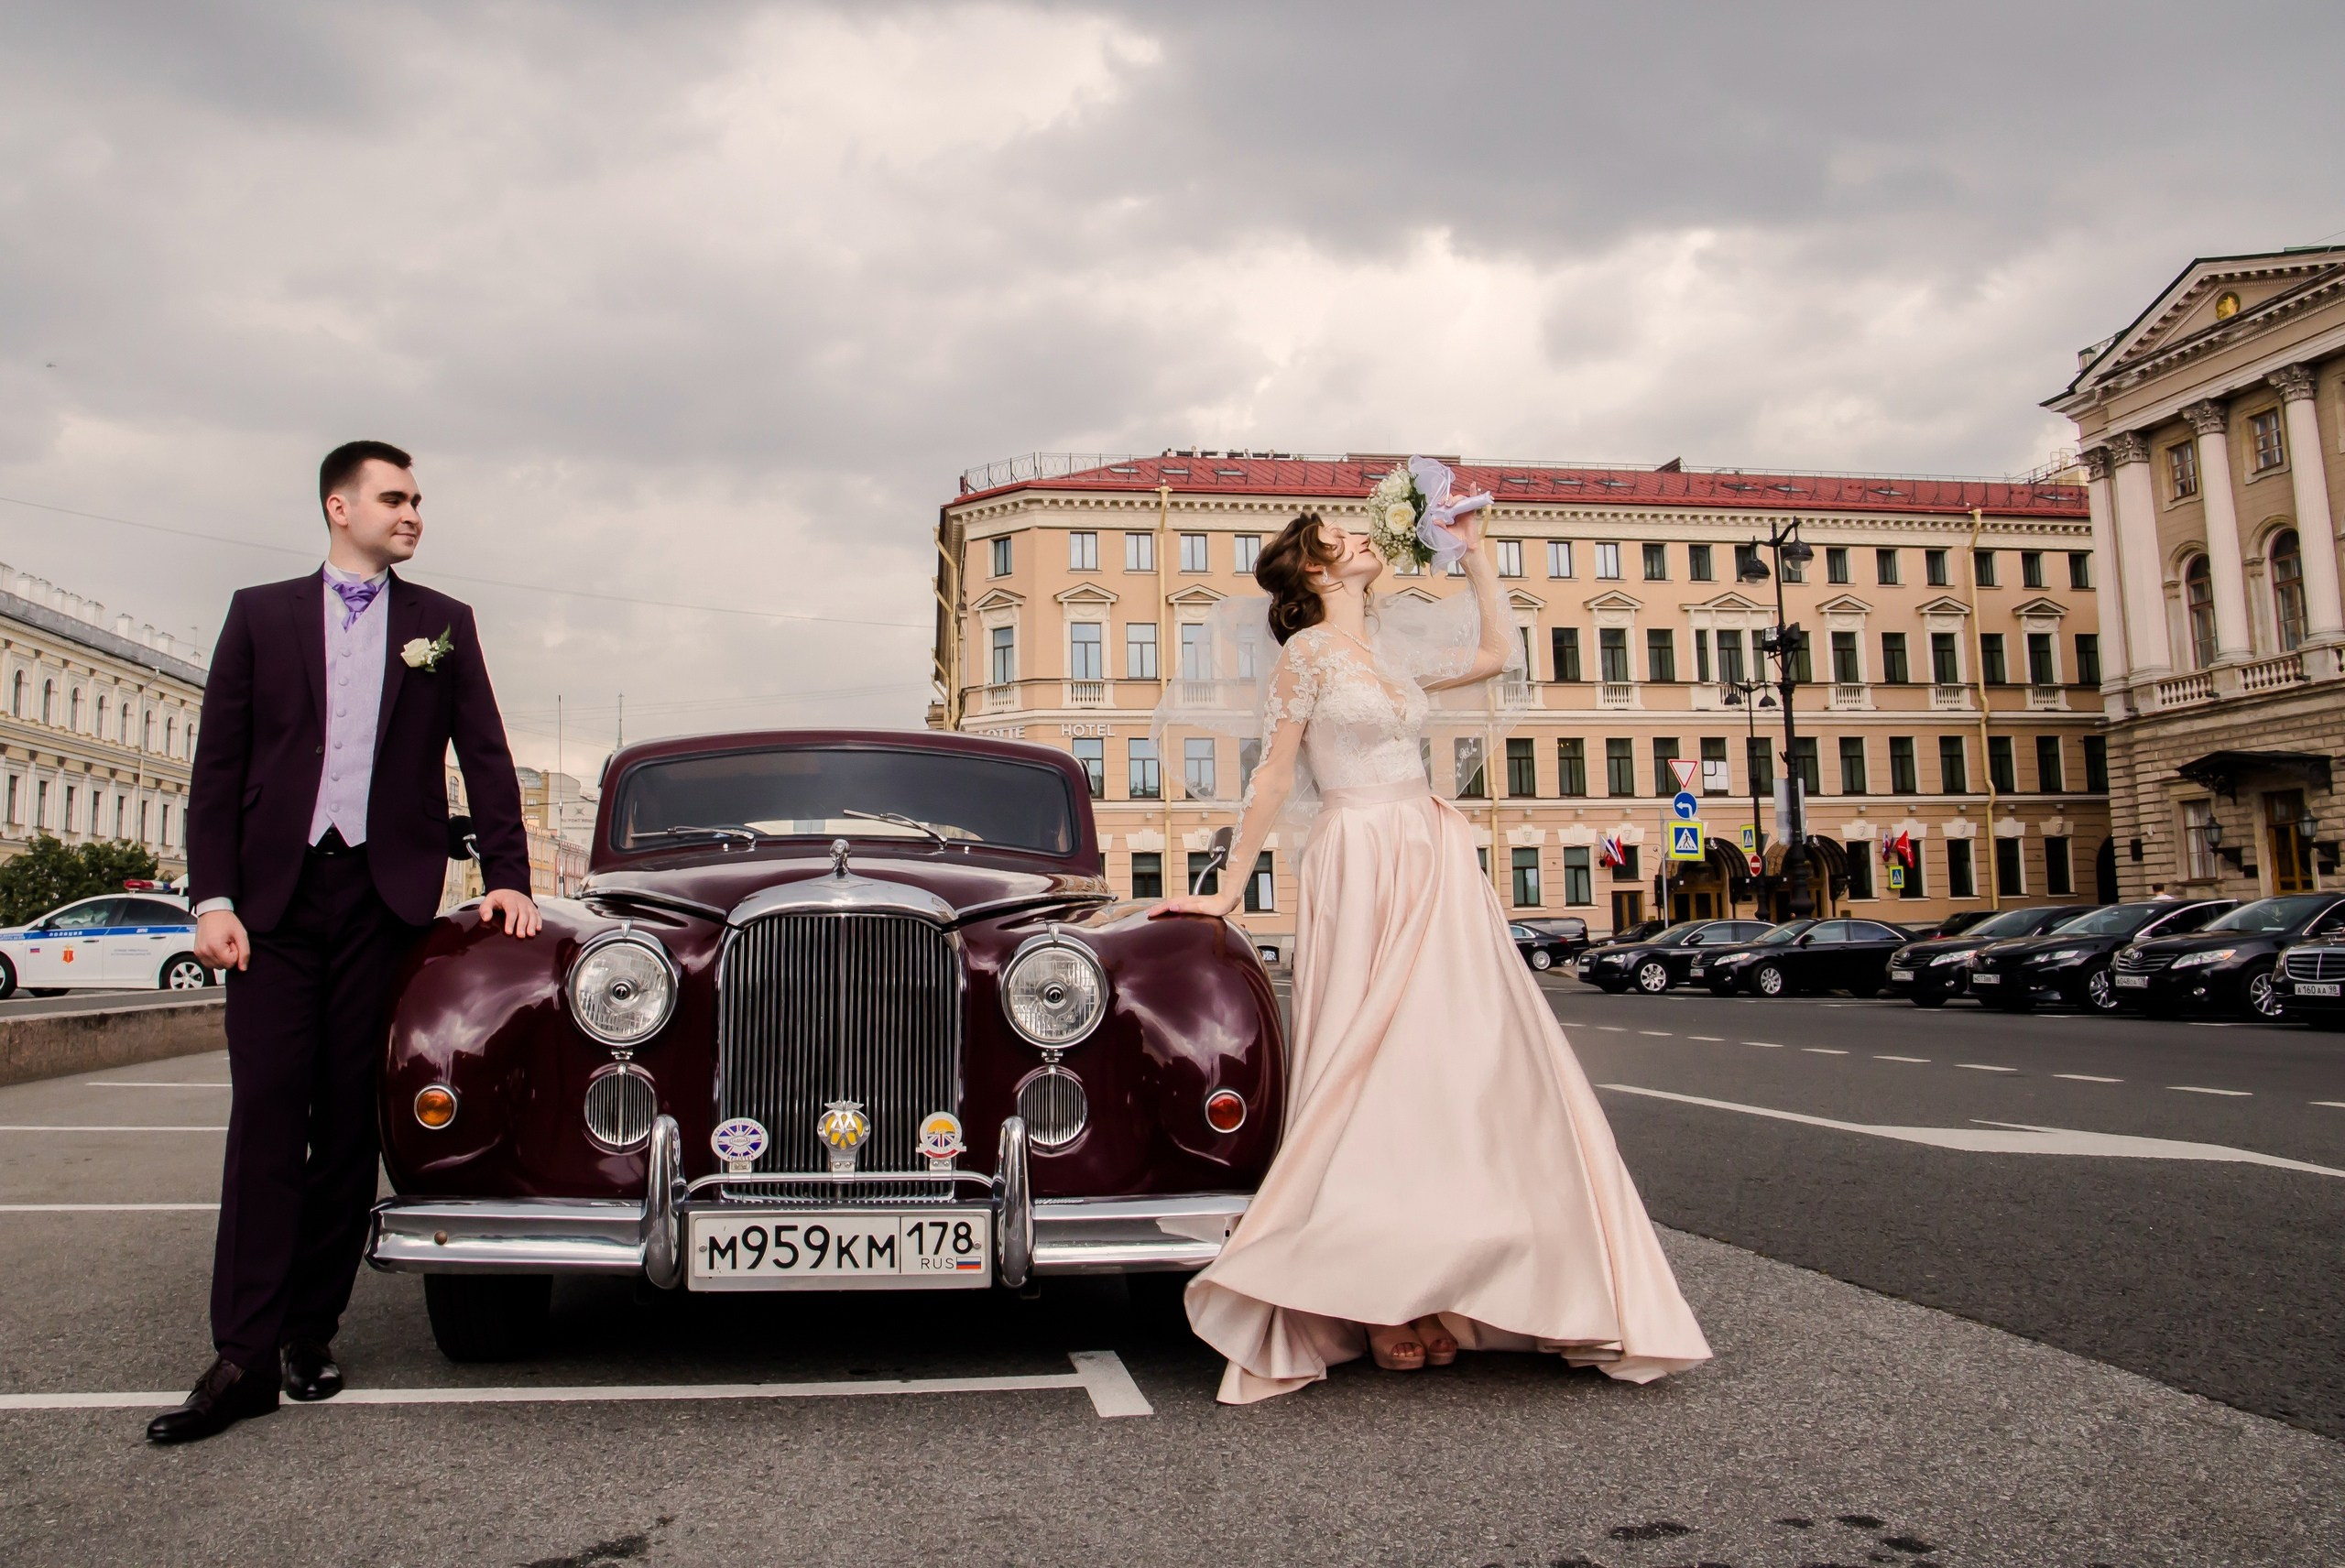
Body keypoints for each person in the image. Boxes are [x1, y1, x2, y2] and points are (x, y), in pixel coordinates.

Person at [1152, 509, 1710, 1403]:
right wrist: (1227, 884)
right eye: (1343, 531)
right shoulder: (1307, 657)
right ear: (1310, 565)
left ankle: (1443, 1289)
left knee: (1460, 1064)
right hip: (1362, 854)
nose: (1366, 534)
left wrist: (1477, 554)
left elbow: (1495, 653)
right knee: (1367, 1069)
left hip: (1432, 848)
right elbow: (1270, 773)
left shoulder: (1387, 650)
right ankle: (1372, 1295)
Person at [152, 441, 540, 1443]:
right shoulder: (259, 612)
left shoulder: (440, 625)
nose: (413, 513)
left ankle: (305, 1332)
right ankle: (240, 1353)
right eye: (395, 497)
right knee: (268, 1114)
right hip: (273, 906)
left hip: (385, 901)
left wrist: (507, 878)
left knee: (350, 1124)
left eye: (417, 500)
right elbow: (217, 766)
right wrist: (214, 896)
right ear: (339, 506)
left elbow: (486, 755)